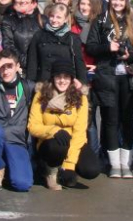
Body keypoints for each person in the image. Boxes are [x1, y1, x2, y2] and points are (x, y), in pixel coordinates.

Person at [85, 0, 133, 178]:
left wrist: (130, 55)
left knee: (127, 120)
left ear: (127, 1)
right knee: (110, 120)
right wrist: (107, 48)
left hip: (128, 79)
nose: (117, 2)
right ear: (109, 0)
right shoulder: (100, 21)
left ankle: (126, 164)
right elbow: (91, 48)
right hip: (107, 76)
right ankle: (114, 165)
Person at [28, 61, 101, 190]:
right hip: (49, 142)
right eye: (58, 77)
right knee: (57, 147)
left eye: (66, 77)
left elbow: (80, 132)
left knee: (91, 170)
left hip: (74, 142)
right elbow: (33, 126)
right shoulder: (41, 95)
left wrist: (70, 164)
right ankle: (50, 171)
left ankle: (64, 169)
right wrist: (53, 130)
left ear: (72, 79)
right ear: (53, 78)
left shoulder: (80, 98)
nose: (62, 81)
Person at [0, 49, 35, 192]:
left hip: (15, 140)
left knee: (22, 184)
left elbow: (49, 92)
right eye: (2, 67)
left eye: (9, 66)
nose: (5, 71)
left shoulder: (28, 87)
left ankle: (8, 167)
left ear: (17, 67)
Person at [71, 0, 103, 154]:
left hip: (95, 75)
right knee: (77, 117)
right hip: (76, 75)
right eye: (82, 3)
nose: (84, 7)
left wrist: (98, 66)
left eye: (89, 4)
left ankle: (94, 154)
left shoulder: (98, 25)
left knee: (91, 119)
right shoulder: (72, 24)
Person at [26, 2, 87, 85]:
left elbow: (79, 64)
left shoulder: (73, 38)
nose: (54, 20)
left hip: (64, 82)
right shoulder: (39, 36)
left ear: (65, 19)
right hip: (44, 82)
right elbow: (32, 63)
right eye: (52, 16)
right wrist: (30, 84)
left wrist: (82, 84)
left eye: (58, 17)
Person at [0, 0, 43, 68]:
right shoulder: (8, 20)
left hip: (40, 69)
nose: (22, 0)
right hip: (19, 69)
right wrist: (27, 62)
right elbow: (8, 45)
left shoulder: (42, 19)